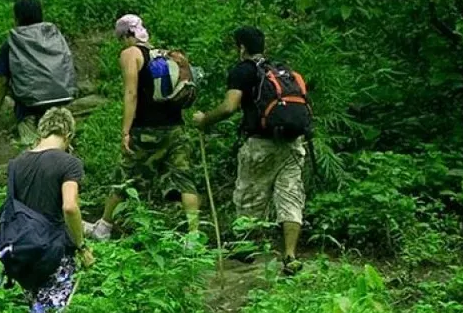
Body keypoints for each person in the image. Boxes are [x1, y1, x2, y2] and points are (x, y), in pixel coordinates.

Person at [191, 26, 309, 269]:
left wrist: (204, 120)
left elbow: (229, 107)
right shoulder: (280, 69)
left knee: (249, 196)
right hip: (293, 142)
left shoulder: (243, 71)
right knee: (290, 196)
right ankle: (290, 255)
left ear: (241, 47)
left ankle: (246, 249)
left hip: (260, 144)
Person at [93, 14, 203, 239]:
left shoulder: (130, 54)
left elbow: (131, 93)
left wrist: (125, 130)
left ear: (126, 35)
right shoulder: (164, 55)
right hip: (175, 128)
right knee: (184, 180)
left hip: (146, 130)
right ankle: (194, 236)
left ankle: (103, 227)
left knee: (126, 176)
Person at [2, 107, 96, 313]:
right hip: (53, 251)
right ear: (68, 135)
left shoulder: (16, 163)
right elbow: (70, 207)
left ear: (41, 131)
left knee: (39, 311)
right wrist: (81, 245)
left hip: (20, 250)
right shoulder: (68, 163)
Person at [0, 0, 77, 145]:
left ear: (17, 18)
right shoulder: (54, 36)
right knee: (59, 147)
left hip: (28, 107)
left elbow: (2, 82)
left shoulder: (12, 43)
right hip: (59, 103)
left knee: (31, 149)